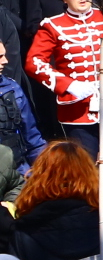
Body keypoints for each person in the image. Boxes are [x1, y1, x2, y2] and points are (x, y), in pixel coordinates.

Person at [25, 0, 103, 186]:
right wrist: (69, 85)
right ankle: (91, 215)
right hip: (77, 109)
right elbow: (34, 62)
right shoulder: (52, 25)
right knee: (86, 167)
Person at [0, 41, 47, 202]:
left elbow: (33, 138)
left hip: (19, 173)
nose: (5, 61)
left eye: (4, 55)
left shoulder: (12, 88)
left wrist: (47, 169)